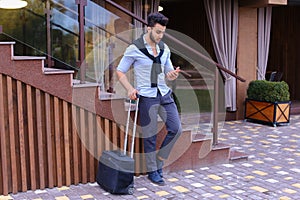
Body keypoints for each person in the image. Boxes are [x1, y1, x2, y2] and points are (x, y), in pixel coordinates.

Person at [116, 12, 182, 186]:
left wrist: (173, 74)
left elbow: (168, 73)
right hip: (146, 96)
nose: (161, 36)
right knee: (150, 136)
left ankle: (159, 162)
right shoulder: (134, 48)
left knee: (176, 128)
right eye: (158, 32)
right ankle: (153, 171)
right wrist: (130, 89)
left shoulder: (164, 49)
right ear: (149, 28)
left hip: (164, 93)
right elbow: (120, 71)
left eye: (163, 33)